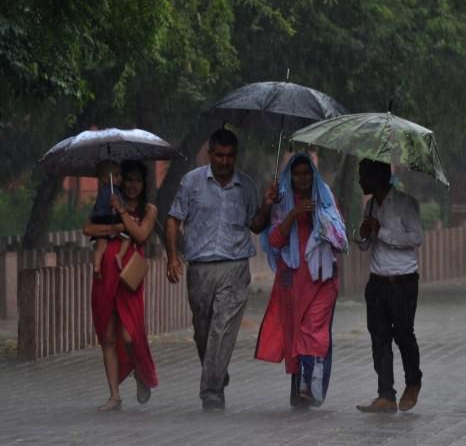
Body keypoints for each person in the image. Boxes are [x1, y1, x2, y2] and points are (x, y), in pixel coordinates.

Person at [165, 128, 277, 411]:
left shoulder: (247, 186)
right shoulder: (191, 183)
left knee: (222, 328)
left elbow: (256, 225)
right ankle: (216, 371)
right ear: (210, 153)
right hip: (199, 269)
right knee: (203, 331)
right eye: (220, 155)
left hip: (235, 266)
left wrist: (266, 206)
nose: (225, 161)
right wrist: (172, 257)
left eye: (230, 156)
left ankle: (211, 393)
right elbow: (172, 219)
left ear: (235, 156)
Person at [256, 153, 348, 408]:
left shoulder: (325, 198)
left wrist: (322, 220)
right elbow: (274, 240)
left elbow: (340, 238)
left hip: (322, 279)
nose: (302, 178)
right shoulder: (282, 200)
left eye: (307, 173)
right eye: (297, 174)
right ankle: (300, 388)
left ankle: (311, 385)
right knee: (295, 335)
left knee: (313, 331)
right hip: (292, 281)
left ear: (313, 174)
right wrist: (294, 214)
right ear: (290, 176)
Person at [83, 160, 158, 411]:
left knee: (129, 334)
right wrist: (114, 223)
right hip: (105, 271)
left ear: (144, 183)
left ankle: (139, 371)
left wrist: (123, 213)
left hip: (129, 274)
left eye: (138, 180)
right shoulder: (107, 202)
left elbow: (140, 235)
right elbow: (88, 227)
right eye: (129, 180)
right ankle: (114, 395)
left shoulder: (149, 209)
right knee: (108, 335)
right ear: (121, 181)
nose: (133, 185)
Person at [355, 158, 423, 414]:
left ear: (377, 177)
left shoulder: (405, 203)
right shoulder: (370, 206)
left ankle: (413, 382)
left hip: (403, 282)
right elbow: (365, 245)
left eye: (363, 176)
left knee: (404, 335)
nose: (360, 181)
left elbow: (416, 238)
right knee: (379, 337)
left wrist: (381, 231)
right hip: (377, 282)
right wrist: (363, 234)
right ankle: (385, 394)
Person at [90, 160, 131, 277]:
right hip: (110, 219)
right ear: (105, 178)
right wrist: (126, 208)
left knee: (100, 245)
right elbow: (121, 205)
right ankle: (120, 256)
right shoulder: (113, 192)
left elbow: (97, 209)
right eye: (116, 175)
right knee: (127, 238)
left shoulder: (101, 192)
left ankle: (97, 266)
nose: (120, 178)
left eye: (120, 174)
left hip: (99, 220)